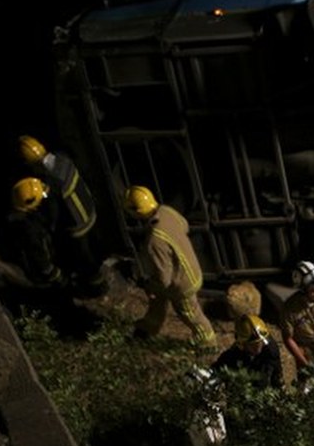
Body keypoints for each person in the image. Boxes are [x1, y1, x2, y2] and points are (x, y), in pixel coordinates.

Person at [126, 185, 217, 348]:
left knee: (191, 314)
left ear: (136, 212)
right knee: (157, 303)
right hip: (189, 268)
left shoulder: (155, 240)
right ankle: (146, 328)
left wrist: (148, 285)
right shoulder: (167, 212)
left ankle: (208, 343)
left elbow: (164, 279)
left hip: (183, 284)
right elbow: (184, 225)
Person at [17, 135, 105, 295]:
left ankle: (96, 289)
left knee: (85, 260)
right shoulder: (63, 159)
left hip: (78, 228)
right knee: (94, 253)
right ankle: (98, 280)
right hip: (90, 213)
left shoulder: (53, 184)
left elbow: (53, 214)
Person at [212, 314, 283, 389]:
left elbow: (277, 377)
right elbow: (216, 371)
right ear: (243, 344)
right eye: (253, 344)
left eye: (260, 342)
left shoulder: (270, 350)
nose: (258, 347)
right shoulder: (232, 356)